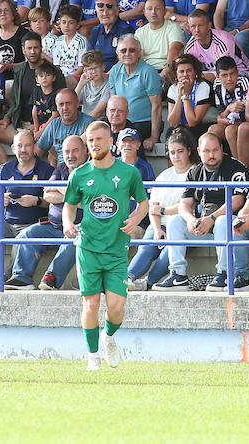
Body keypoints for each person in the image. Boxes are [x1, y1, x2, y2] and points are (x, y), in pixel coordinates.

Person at [62, 121, 148, 371]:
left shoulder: (129, 172)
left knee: (117, 306)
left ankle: (108, 336)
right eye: (90, 140)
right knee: (90, 304)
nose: (95, 144)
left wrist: (135, 219)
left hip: (117, 249)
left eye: (99, 139)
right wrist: (68, 223)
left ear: (111, 141)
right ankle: (92, 357)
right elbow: (69, 205)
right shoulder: (79, 174)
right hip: (88, 247)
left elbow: (143, 203)